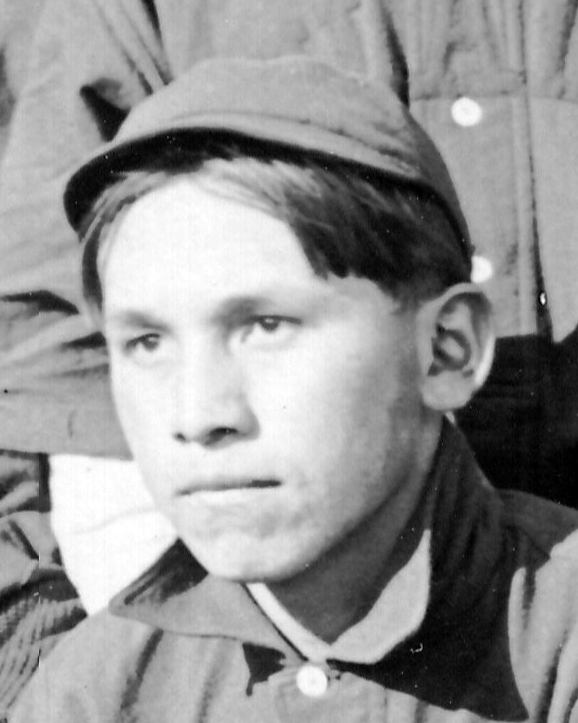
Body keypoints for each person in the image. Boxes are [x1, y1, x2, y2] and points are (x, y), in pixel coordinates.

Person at [11, 56, 578, 723]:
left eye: (266, 326)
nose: (198, 415)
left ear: (446, 350)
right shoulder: (96, 691)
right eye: (147, 342)